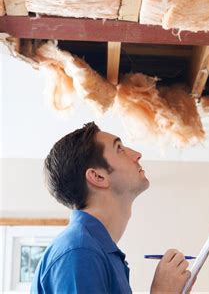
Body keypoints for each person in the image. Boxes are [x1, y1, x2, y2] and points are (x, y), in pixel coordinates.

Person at [31, 122, 192, 293]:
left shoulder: (95, 252)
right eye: (120, 149)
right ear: (98, 176)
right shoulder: (80, 252)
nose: (137, 154)